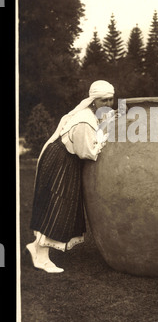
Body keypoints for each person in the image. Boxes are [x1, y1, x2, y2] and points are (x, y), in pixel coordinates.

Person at [26, 80, 120, 273]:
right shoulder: (84, 121)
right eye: (104, 100)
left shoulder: (90, 114)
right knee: (55, 206)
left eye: (111, 99)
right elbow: (89, 152)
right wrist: (107, 128)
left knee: (58, 205)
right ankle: (41, 257)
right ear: (94, 101)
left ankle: (36, 247)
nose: (109, 104)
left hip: (65, 159)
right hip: (60, 161)